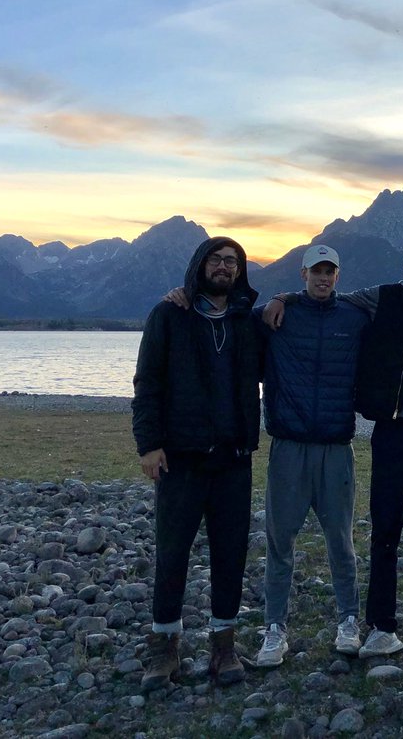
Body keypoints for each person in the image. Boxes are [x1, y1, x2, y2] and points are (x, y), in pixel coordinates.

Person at [267, 232, 403, 660]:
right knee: (385, 531)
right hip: (393, 431)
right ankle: (381, 627)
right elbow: (324, 296)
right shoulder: (381, 297)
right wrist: (284, 297)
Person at [132, 237, 262, 690]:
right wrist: (148, 444)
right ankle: (164, 647)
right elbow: (147, 382)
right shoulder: (170, 314)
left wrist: (282, 298)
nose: (224, 267)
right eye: (216, 259)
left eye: (233, 262)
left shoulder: (247, 320)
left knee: (231, 554)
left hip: (234, 458)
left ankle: (223, 645)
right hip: (181, 458)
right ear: (200, 264)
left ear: (240, 271)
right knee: (172, 553)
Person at [254, 245, 371, 666]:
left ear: (338, 276)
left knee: (341, 541)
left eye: (330, 272)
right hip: (288, 447)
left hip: (336, 449)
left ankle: (348, 621)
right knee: (280, 540)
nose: (323, 278)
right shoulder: (276, 317)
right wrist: (279, 298)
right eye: (316, 271)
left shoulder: (355, 317)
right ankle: (274, 628)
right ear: (303, 274)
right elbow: (225, 318)